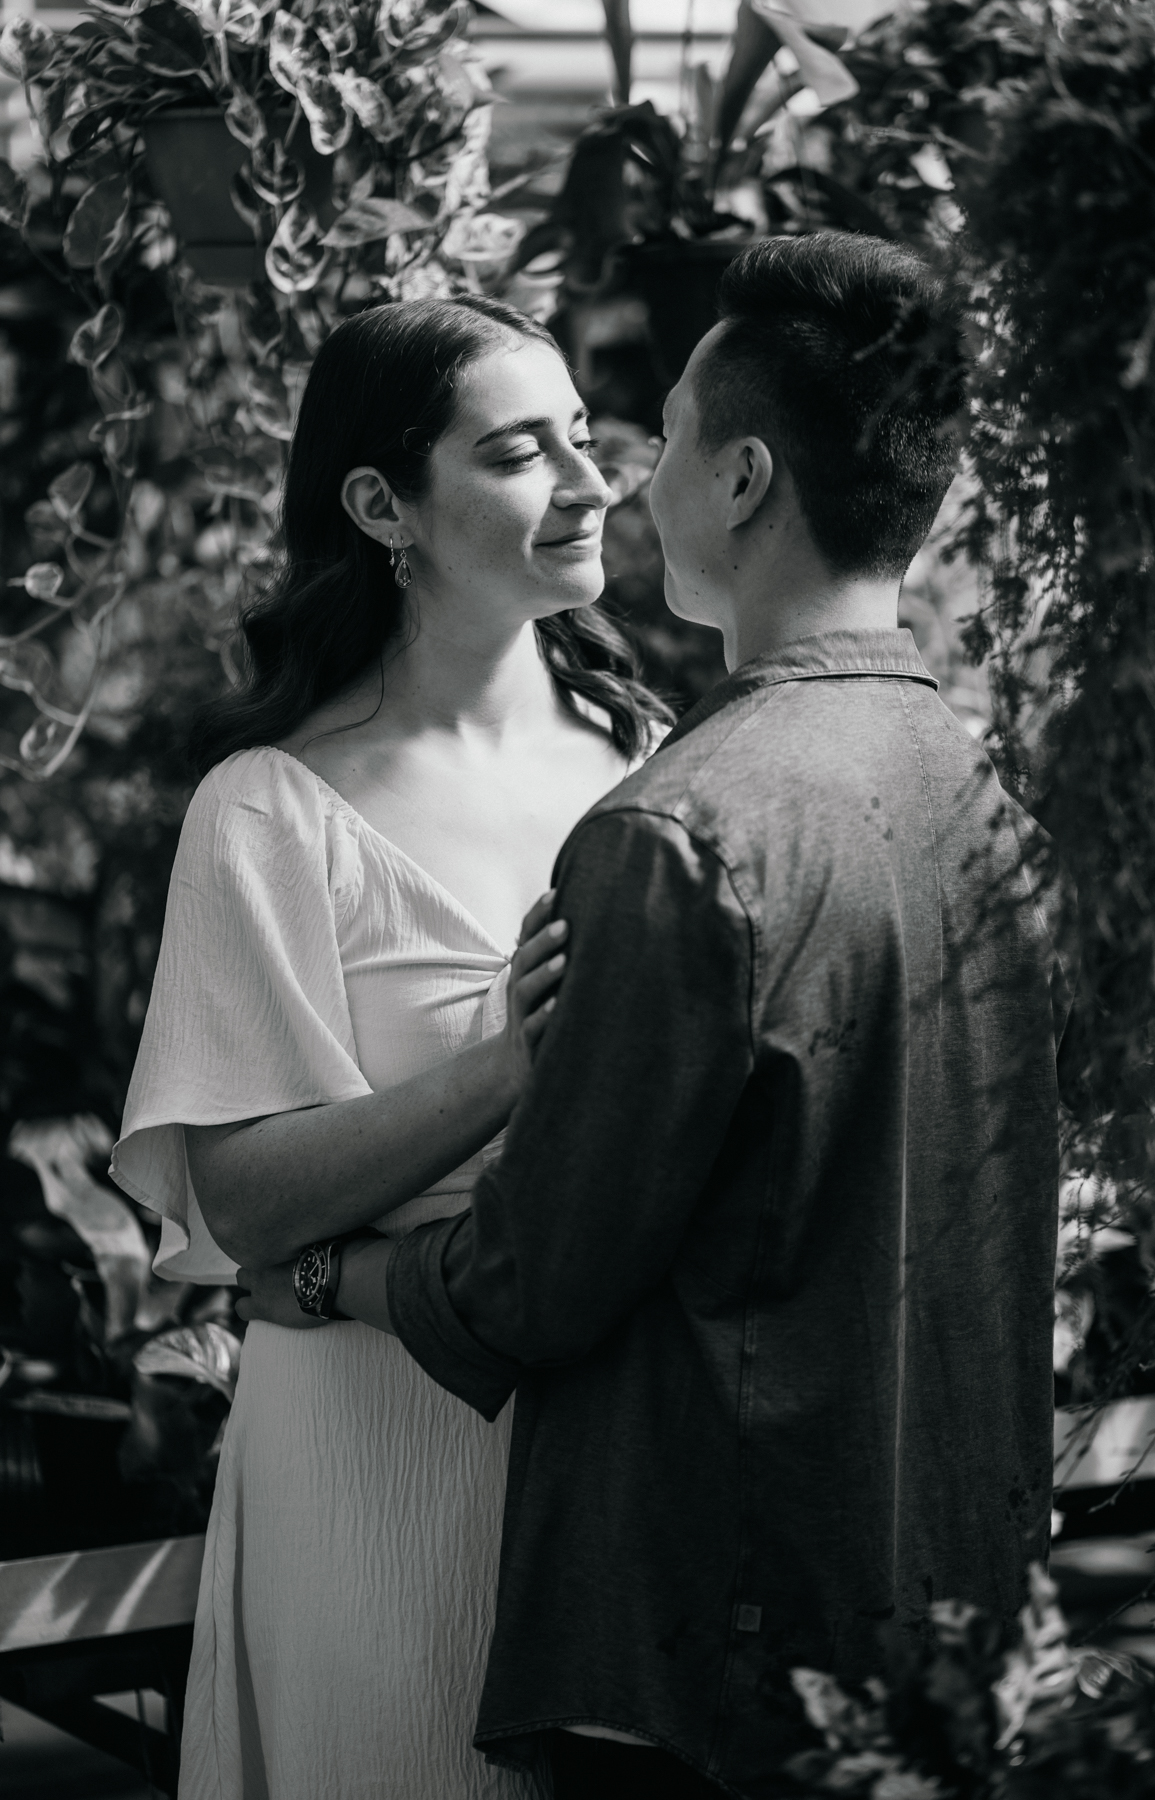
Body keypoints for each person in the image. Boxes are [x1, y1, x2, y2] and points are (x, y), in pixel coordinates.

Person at [242, 231, 1071, 1800]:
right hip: (943, 1608)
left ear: (745, 479)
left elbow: (535, 1277)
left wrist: (332, 1275)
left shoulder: (675, 828)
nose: (627, 478)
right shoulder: (988, 806)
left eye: (665, 437)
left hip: (708, 1642)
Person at [110, 293, 673, 1800]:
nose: (589, 481)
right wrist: (506, 1067)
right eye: (519, 452)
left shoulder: (654, 763)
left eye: (582, 437)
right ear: (381, 506)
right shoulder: (268, 810)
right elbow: (243, 1204)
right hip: (374, 1448)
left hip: (620, 1445)